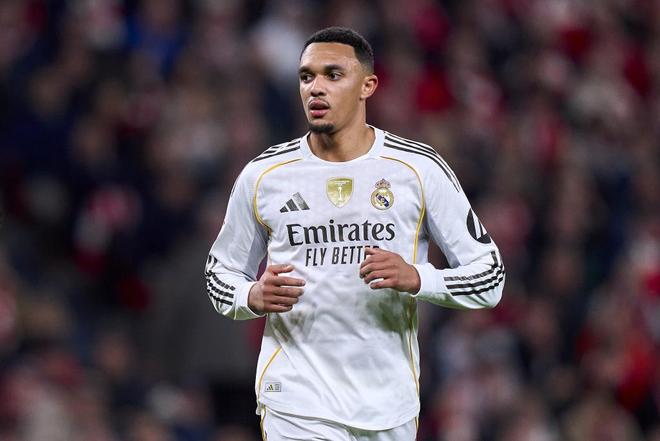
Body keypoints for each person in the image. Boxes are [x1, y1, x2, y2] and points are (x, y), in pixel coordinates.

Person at [205, 26, 505, 440]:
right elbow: (218, 272)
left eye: (333, 75)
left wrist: (419, 278)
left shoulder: (417, 170)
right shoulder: (264, 176)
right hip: (296, 400)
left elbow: (490, 278)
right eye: (306, 76)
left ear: (368, 86)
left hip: (387, 404)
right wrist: (250, 295)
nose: (315, 88)